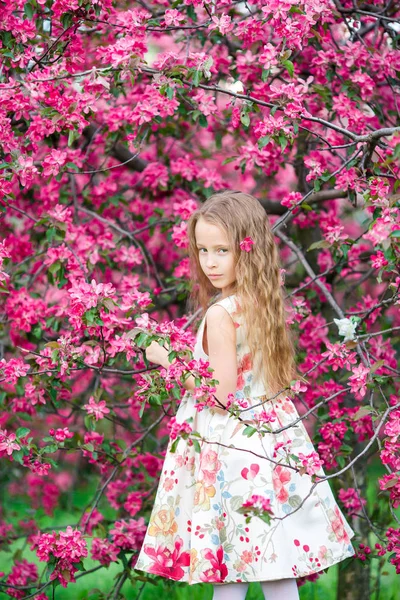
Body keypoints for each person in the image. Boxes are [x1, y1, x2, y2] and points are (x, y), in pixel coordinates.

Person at [133, 191, 355, 599]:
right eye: (203, 250)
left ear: (246, 249)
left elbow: (219, 394)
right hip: (266, 443)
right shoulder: (258, 301)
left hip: (230, 450)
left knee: (230, 567)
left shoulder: (221, 313)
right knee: (271, 564)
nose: (211, 262)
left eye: (222, 250)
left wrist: (164, 357)